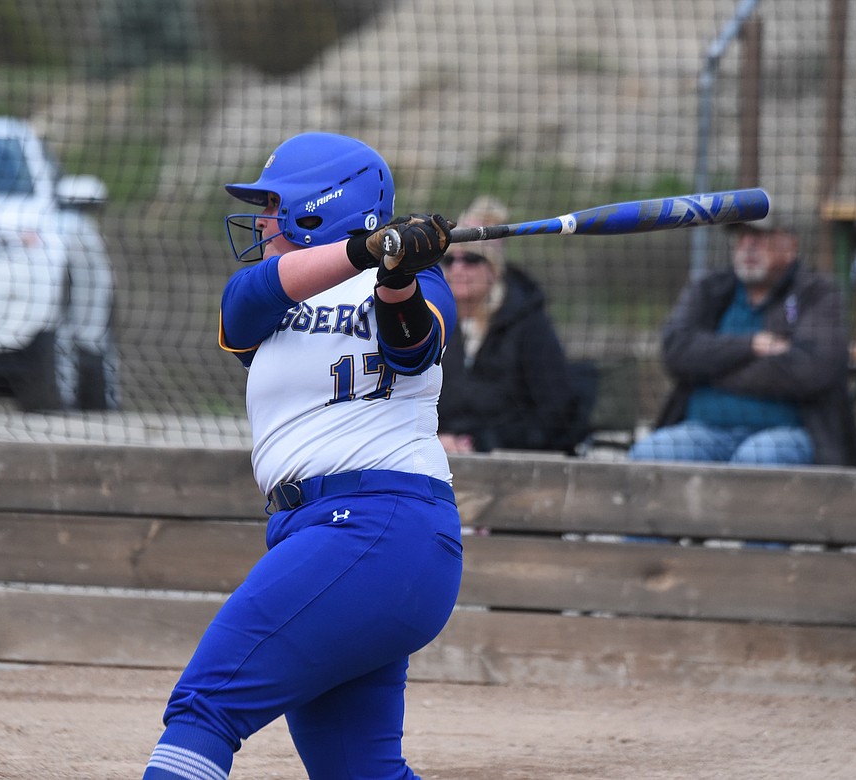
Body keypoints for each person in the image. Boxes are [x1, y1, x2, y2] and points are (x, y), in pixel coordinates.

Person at [140, 132, 463, 779]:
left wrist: (395, 276)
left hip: (378, 526)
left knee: (206, 705)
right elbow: (248, 303)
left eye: (273, 207)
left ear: (320, 207)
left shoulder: (420, 282)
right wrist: (361, 252)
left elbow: (412, 345)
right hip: (322, 536)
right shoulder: (263, 296)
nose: (261, 222)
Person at [628, 211, 856, 467]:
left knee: (757, 458)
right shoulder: (710, 288)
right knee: (648, 454)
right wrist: (751, 345)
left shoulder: (816, 292)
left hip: (788, 434)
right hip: (703, 432)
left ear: (790, 246)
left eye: (759, 236)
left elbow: (812, 369)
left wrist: (709, 370)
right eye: (742, 236)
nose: (748, 245)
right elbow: (676, 351)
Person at [437, 195, 583, 455]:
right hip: (440, 455)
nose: (458, 268)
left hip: (510, 461)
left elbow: (556, 414)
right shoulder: (435, 323)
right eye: (450, 260)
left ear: (493, 269)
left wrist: (479, 443)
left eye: (471, 260)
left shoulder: (527, 323)